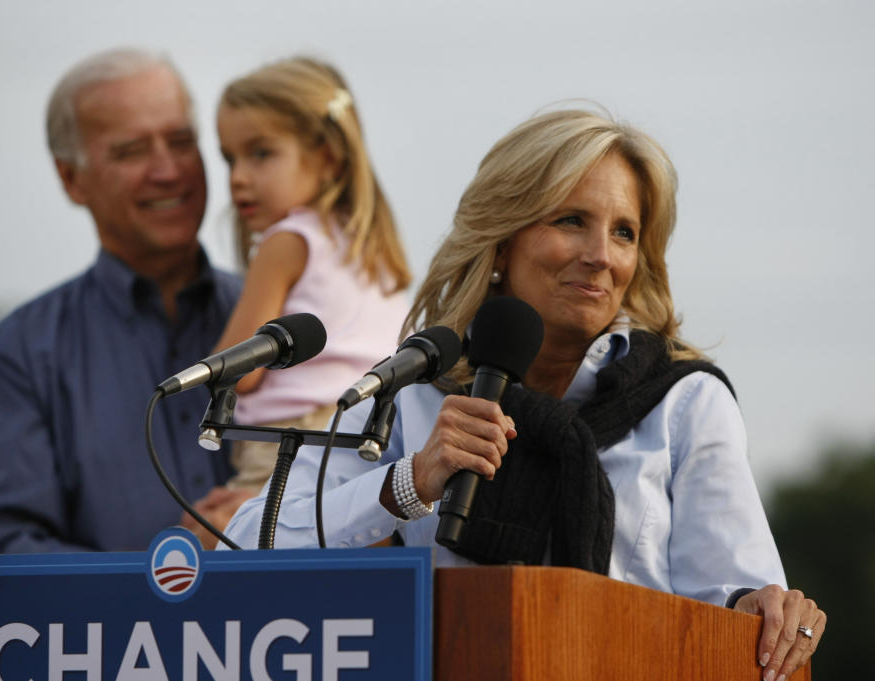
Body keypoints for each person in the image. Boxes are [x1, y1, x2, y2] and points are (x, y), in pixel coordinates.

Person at [225, 107, 825, 679]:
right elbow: (250, 541)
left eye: (624, 233)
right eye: (571, 221)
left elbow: (739, 608)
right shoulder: (413, 389)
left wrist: (768, 612)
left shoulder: (684, 401)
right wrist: (408, 483)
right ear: (503, 239)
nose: (600, 257)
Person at [0, 48, 243, 553]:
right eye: (131, 151)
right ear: (71, 179)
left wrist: (275, 518)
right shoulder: (20, 352)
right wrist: (167, 575)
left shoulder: (284, 325)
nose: (168, 171)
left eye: (180, 141)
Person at [181, 57, 410, 541]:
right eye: (229, 159)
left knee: (207, 541)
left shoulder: (286, 243)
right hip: (367, 444)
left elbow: (237, 374)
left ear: (327, 156)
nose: (238, 177)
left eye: (260, 153)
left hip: (284, 448)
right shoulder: (374, 252)